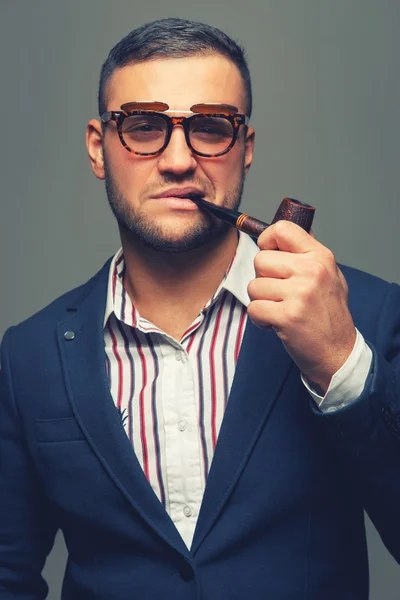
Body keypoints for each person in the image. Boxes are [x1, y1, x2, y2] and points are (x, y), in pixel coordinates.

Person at [0, 17, 399, 600]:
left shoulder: (367, 311)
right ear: (97, 148)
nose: (179, 161)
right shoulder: (27, 355)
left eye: (211, 128)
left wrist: (341, 362)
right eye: (142, 126)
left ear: (246, 147)